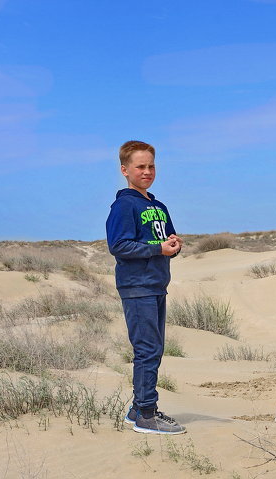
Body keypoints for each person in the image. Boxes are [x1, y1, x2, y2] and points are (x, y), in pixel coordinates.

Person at [105, 140, 186, 435]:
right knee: (147, 349)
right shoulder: (125, 205)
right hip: (136, 286)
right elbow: (119, 245)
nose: (147, 171)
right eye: (140, 166)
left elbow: (163, 240)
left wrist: (173, 246)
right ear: (125, 170)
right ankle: (147, 414)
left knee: (154, 348)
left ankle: (138, 408)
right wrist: (157, 248)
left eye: (151, 165)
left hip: (156, 284)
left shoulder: (158, 205)